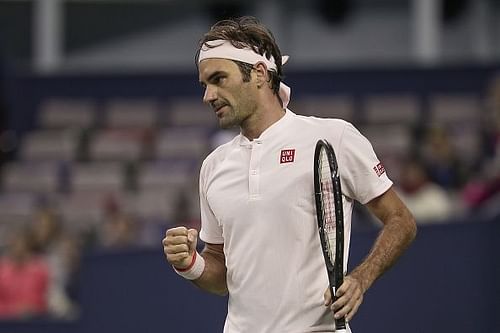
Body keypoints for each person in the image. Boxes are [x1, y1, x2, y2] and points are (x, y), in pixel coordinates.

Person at [162, 16, 417, 333]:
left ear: (258, 74)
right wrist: (190, 263)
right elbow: (221, 274)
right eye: (204, 85)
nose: (208, 96)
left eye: (218, 79)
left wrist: (360, 279)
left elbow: (401, 220)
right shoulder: (213, 166)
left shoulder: (333, 137)